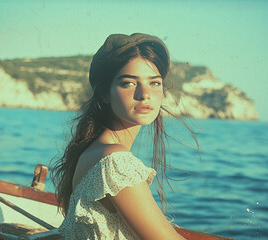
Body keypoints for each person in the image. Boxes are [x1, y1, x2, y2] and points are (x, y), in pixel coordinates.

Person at [51, 33, 187, 239]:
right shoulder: (116, 162)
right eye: (129, 83)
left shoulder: (95, 150)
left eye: (154, 83)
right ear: (104, 93)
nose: (144, 94)